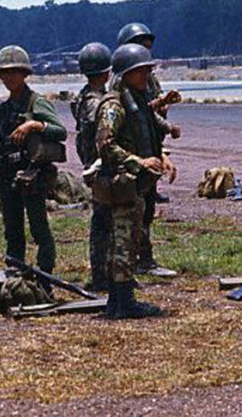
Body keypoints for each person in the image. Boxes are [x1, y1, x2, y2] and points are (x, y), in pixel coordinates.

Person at [95, 44, 177, 319]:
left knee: (128, 241)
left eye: (146, 70)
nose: (145, 75)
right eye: (138, 71)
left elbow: (149, 127)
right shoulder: (114, 106)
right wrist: (138, 162)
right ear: (125, 74)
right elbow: (105, 145)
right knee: (122, 242)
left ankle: (118, 301)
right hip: (121, 183)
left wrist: (162, 156)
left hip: (134, 185)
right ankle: (123, 302)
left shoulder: (138, 101)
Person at [0, 45, 67, 283]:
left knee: (39, 229)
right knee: (12, 230)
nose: (9, 78)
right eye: (5, 73)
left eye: (14, 72)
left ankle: (45, 276)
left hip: (32, 175)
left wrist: (35, 125)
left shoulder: (36, 103)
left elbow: (61, 132)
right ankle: (14, 273)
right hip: (7, 176)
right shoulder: (4, 109)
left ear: (25, 73)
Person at [117, 23, 180, 278]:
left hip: (149, 146)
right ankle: (134, 262)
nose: (145, 49)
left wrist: (165, 119)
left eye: (147, 45)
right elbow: (137, 113)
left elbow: (150, 114)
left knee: (146, 208)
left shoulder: (148, 77)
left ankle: (141, 259)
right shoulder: (120, 83)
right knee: (132, 212)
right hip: (134, 155)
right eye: (140, 44)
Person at [70, 42, 112, 292]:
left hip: (92, 164)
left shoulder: (83, 97)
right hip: (100, 166)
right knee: (103, 223)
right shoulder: (96, 102)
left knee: (102, 221)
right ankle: (102, 274)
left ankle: (105, 273)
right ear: (106, 72)